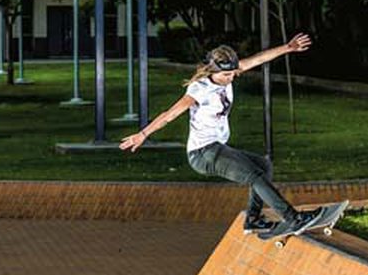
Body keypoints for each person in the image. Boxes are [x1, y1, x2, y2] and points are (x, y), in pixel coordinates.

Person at [120, 33, 316, 236]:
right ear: (213, 71)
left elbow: (258, 58)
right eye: (226, 76)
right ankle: (294, 219)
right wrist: (143, 134)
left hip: (216, 148)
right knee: (254, 175)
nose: (230, 78)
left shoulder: (228, 71)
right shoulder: (199, 90)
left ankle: (253, 220)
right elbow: (169, 115)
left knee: (263, 166)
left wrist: (288, 47)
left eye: (232, 74)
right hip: (203, 153)